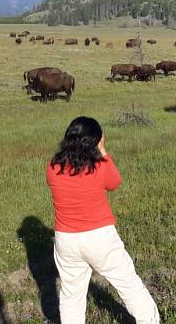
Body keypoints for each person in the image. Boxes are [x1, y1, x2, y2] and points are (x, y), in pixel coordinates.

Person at [47, 117, 160, 324]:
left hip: (65, 240)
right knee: (128, 283)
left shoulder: (53, 167)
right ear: (94, 141)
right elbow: (115, 182)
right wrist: (104, 151)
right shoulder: (98, 166)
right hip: (99, 237)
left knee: (71, 294)